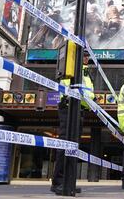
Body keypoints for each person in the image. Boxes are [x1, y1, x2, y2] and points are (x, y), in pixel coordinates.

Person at [51, 50, 95, 195]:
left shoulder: (85, 72)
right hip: (69, 109)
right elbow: (68, 88)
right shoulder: (71, 69)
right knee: (65, 145)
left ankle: (68, 181)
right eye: (85, 55)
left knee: (73, 147)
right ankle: (58, 182)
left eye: (88, 56)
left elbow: (88, 93)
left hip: (79, 110)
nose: (87, 58)